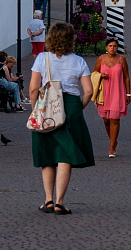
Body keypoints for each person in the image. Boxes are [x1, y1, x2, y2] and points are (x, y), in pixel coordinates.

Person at [28, 21, 95, 213]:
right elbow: (89, 91)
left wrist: (36, 110)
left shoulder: (42, 58)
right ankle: (59, 202)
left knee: (47, 154)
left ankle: (48, 200)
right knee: (66, 154)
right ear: (70, 39)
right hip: (71, 106)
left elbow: (33, 89)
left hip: (46, 107)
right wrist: (77, 108)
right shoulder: (79, 61)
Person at [93, 37, 130, 158]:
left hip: (117, 92)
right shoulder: (101, 59)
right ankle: (113, 141)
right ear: (106, 47)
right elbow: (94, 74)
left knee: (114, 119)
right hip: (104, 93)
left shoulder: (121, 59)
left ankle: (112, 147)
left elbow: (126, 77)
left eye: (114, 46)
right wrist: (100, 75)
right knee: (106, 120)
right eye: (110, 46)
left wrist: (128, 94)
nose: (112, 48)